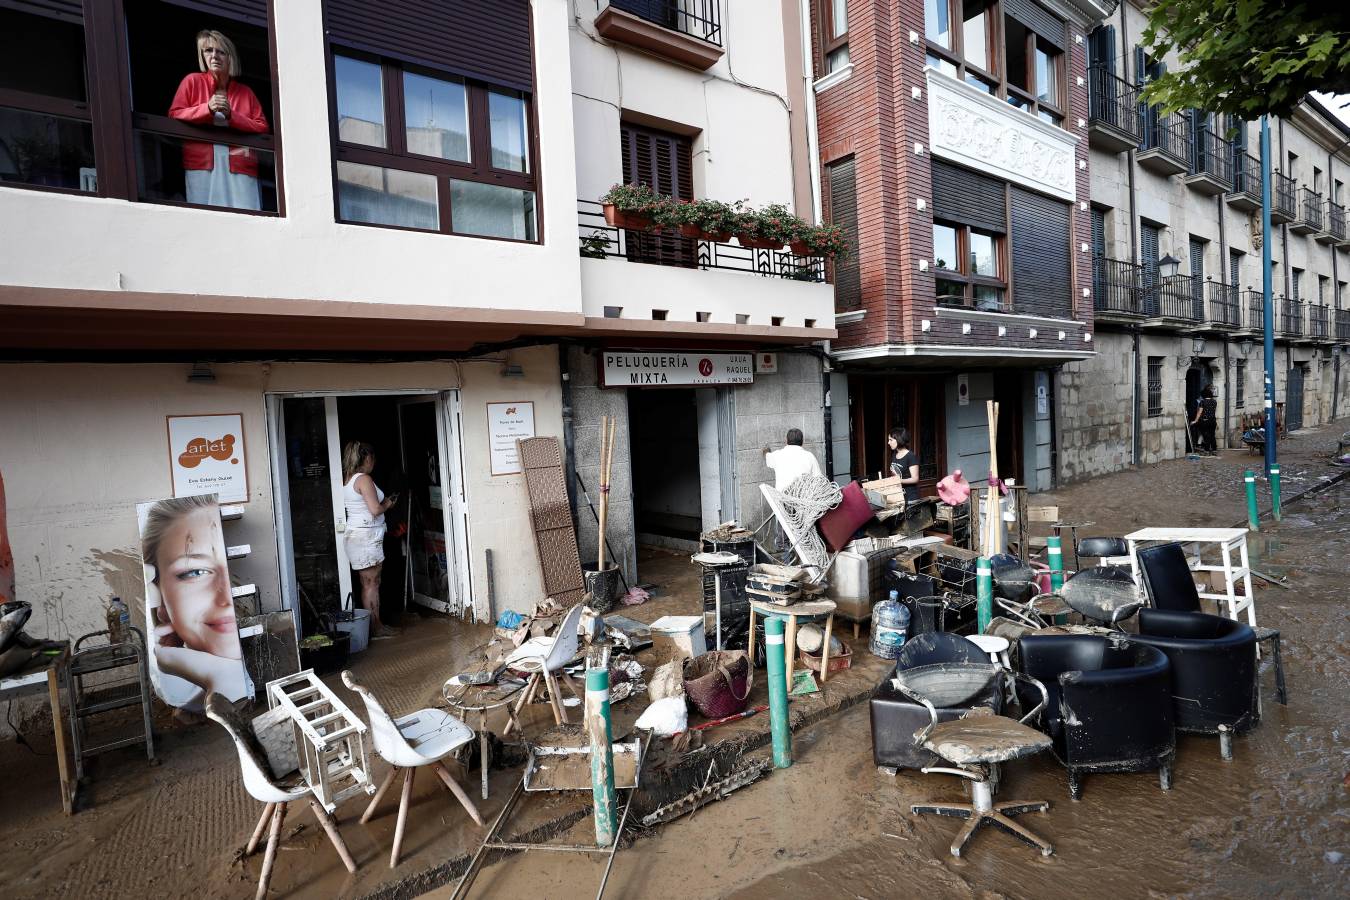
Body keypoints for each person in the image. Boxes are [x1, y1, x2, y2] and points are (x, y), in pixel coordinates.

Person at [141, 494, 248, 709]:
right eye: (195, 572)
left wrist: (226, 676)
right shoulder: (176, 693)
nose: (225, 598)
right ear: (158, 594)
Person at [168, 29, 270, 210]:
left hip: (240, 162)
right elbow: (175, 115)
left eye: (221, 51)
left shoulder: (245, 92)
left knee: (246, 215)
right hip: (202, 162)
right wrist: (206, 108)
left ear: (230, 58)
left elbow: (262, 127)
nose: (214, 56)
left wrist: (233, 116)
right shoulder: (192, 81)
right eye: (208, 51)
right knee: (204, 215)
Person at [342, 441, 400, 639]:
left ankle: (375, 625)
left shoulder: (348, 478)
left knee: (368, 582)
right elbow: (375, 509)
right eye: (372, 458)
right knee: (371, 583)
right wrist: (388, 504)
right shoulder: (364, 479)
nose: (373, 462)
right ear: (366, 458)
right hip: (365, 536)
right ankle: (377, 628)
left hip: (356, 535)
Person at [888, 427, 921, 505]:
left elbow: (915, 479)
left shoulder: (910, 456)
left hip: (910, 499)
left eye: (891, 440)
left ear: (898, 439)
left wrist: (899, 480)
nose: (888, 442)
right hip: (899, 497)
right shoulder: (894, 455)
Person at [1192, 384, 1218, 455]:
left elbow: (1199, 412)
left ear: (1203, 394)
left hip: (1205, 421)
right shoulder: (1214, 402)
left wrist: (1195, 421)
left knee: (1206, 436)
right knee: (1212, 435)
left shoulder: (1202, 402)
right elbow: (1214, 411)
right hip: (1213, 421)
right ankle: (1214, 450)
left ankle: (1206, 450)